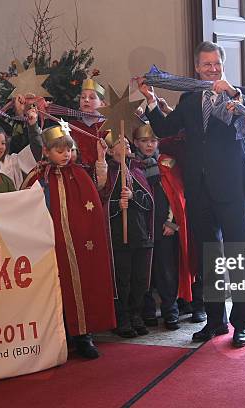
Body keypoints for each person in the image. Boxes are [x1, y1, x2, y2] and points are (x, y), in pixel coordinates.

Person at [137, 41, 245, 347]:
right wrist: (151, 101)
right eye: (206, 65)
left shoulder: (240, 93)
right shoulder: (189, 98)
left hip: (232, 188)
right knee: (208, 258)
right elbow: (167, 129)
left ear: (223, 65)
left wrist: (234, 94)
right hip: (198, 190)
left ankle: (242, 324)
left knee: (236, 257)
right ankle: (215, 321)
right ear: (197, 68)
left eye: (217, 64)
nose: (212, 69)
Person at [21, 121, 115, 359]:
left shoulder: (79, 174)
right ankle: (58, 335)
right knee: (54, 288)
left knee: (80, 285)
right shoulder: (37, 177)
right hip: (50, 245)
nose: (65, 155)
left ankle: (84, 335)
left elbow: (97, 197)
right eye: (59, 150)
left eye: (69, 150)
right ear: (46, 151)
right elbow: (23, 209)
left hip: (79, 245)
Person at [132, 123, 193, 330]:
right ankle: (147, 311)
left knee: (166, 272)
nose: (149, 145)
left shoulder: (167, 163)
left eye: (153, 141)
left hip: (164, 227)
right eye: (144, 141)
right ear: (135, 143)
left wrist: (173, 222)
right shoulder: (131, 165)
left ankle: (170, 311)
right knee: (145, 274)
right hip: (142, 227)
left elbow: (177, 195)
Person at [101, 134, 153, 338]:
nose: (124, 147)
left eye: (127, 144)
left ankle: (136, 315)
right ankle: (121, 318)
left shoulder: (137, 171)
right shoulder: (108, 174)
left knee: (140, 279)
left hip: (139, 234)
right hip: (118, 236)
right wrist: (116, 205)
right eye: (119, 144)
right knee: (123, 280)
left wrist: (133, 197)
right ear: (111, 150)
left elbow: (149, 203)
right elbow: (100, 202)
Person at [0, 122, 37, 190]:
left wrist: (33, 127)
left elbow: (36, 148)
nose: (0, 147)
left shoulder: (13, 161)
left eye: (3, 143)